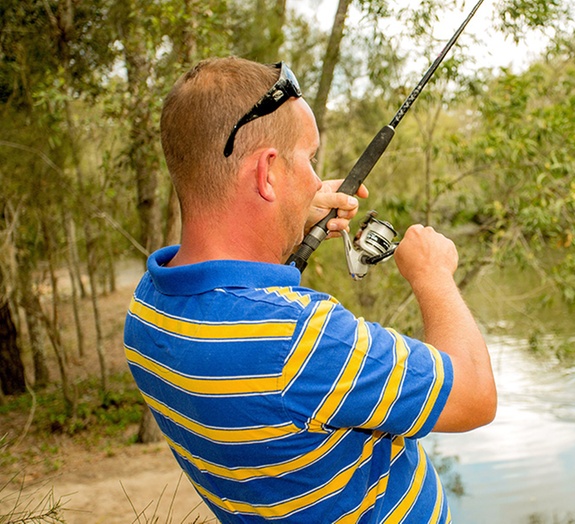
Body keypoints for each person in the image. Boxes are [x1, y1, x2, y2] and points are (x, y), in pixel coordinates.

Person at [123, 57, 497, 523]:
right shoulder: (301, 341)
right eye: (310, 159)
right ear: (268, 174)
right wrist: (433, 275)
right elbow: (476, 396)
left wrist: (288, 217)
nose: (319, 181)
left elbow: (234, 300)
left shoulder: (147, 309)